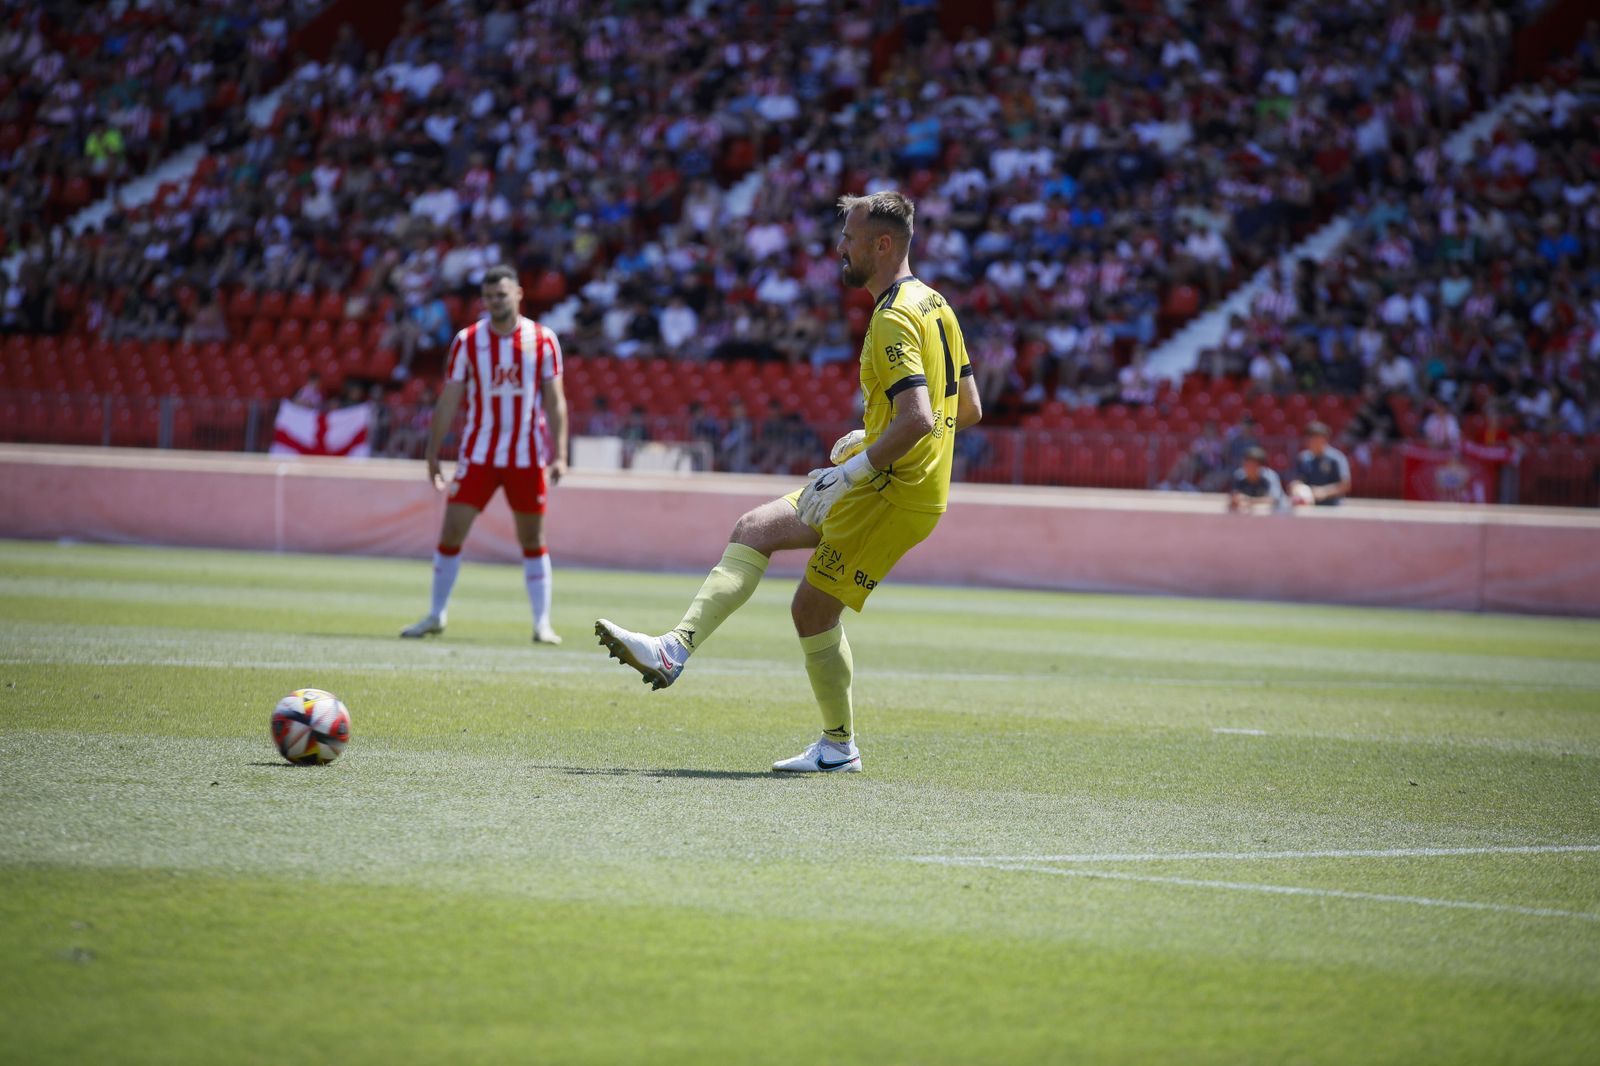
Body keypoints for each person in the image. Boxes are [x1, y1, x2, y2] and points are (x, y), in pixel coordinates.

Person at [594, 191, 982, 773]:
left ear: (881, 244)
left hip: (892, 489)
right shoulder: (935, 305)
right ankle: (675, 649)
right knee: (754, 528)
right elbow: (969, 407)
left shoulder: (895, 316)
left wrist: (855, 465)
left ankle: (838, 745)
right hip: (889, 477)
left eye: (848, 238)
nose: (838, 248)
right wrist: (871, 434)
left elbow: (922, 419)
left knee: (811, 611)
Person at [400, 265, 570, 645]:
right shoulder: (467, 340)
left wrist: (561, 453)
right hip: (478, 453)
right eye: (489, 296)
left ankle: (542, 624)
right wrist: (432, 452)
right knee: (452, 529)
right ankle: (435, 614)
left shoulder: (543, 340)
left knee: (532, 538)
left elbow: (555, 401)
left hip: (526, 455)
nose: (495, 301)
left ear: (518, 294)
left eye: (502, 294)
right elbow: (449, 399)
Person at [1288, 421, 1353, 506]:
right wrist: (1296, 487)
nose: (1310, 441)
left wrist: (1324, 491)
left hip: (1333, 507)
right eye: (1309, 437)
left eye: (1314, 438)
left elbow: (1345, 485)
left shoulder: (1337, 458)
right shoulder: (1303, 458)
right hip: (1309, 506)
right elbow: (1298, 479)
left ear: (1324, 439)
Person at [1228, 446, 1287, 513]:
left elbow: (1274, 500)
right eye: (1246, 464)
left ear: (1260, 466)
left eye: (1252, 465)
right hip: (1251, 514)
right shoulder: (1239, 475)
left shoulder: (1270, 477)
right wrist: (1236, 499)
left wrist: (1248, 500)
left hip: (1277, 514)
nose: (1247, 468)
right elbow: (1234, 497)